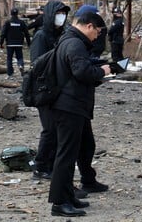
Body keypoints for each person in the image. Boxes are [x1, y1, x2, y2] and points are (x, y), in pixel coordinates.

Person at [49, 12, 111, 217]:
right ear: (90, 26)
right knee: (66, 156)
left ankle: (68, 196)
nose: (98, 36)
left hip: (73, 105)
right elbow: (81, 73)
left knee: (80, 148)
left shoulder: (69, 40)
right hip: (69, 106)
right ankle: (59, 203)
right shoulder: (75, 44)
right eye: (98, 32)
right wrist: (103, 72)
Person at [29, 0, 70, 181]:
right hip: (43, 89)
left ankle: (52, 164)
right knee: (49, 129)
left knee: (57, 129)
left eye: (64, 13)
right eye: (58, 13)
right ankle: (40, 166)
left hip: (57, 88)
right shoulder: (41, 36)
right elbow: (37, 64)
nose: (61, 17)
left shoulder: (61, 34)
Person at [0, 8, 32, 79]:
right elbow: (27, 34)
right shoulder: (21, 22)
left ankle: (10, 74)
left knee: (9, 59)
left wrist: (1, 43)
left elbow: (3, 33)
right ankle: (20, 65)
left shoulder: (7, 22)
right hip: (19, 44)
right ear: (17, 14)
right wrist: (29, 43)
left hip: (10, 44)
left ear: (11, 14)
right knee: (19, 57)